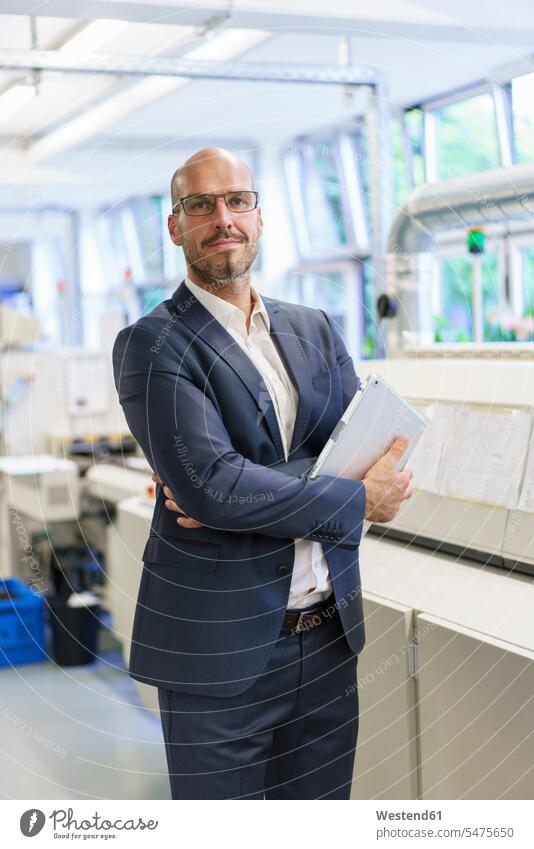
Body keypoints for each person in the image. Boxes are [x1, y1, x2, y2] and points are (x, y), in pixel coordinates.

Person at [112, 146, 412, 800]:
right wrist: (352, 497)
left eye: (237, 200)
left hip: (327, 637)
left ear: (259, 214)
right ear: (176, 226)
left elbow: (331, 458)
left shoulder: (314, 328)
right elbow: (213, 485)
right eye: (201, 205)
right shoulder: (154, 343)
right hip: (216, 655)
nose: (223, 218)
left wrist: (251, 486)